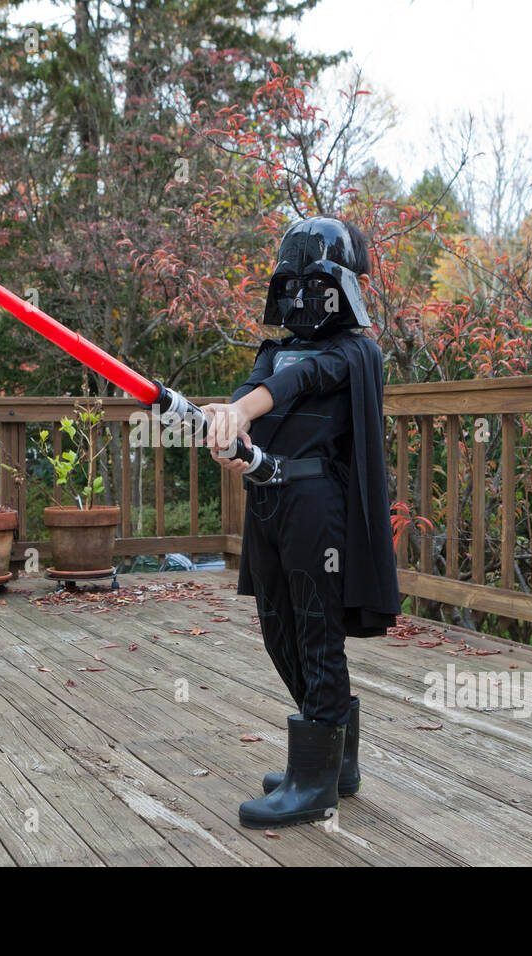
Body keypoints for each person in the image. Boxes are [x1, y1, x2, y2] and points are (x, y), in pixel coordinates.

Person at [201, 217, 402, 829]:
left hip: (317, 505)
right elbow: (259, 382)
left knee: (317, 629)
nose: (302, 298)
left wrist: (241, 408)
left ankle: (315, 781)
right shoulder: (276, 347)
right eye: (293, 284)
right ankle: (333, 758)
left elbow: (294, 382)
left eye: (314, 284)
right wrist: (224, 419)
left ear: (342, 286)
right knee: (276, 627)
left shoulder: (352, 353)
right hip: (268, 498)